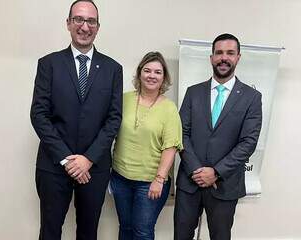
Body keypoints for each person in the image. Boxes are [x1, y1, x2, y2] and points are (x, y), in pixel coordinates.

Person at [30, 0, 123, 239]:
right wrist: (68, 160)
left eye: (91, 21)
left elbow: (113, 119)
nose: (84, 26)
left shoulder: (113, 69)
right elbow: (39, 115)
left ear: (98, 26)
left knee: (88, 232)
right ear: (69, 23)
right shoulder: (48, 64)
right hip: (53, 165)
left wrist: (88, 159)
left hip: (95, 168)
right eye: (79, 19)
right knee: (50, 231)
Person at [174, 33, 262, 240]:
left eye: (230, 53)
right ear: (211, 57)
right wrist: (197, 170)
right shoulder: (193, 92)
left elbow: (248, 142)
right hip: (190, 181)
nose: (224, 58)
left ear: (238, 57)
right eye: (219, 53)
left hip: (225, 185)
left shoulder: (252, 97)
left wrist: (216, 172)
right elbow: (181, 134)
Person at [110, 52, 183, 240]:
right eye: (147, 70)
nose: (152, 75)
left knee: (142, 232)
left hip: (150, 182)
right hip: (120, 178)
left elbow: (171, 147)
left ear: (164, 77)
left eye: (158, 72)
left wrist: (159, 179)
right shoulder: (123, 99)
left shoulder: (169, 108)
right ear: (139, 73)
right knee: (125, 228)